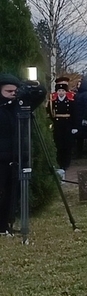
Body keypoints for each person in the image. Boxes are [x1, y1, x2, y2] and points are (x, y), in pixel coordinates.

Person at [0, 74, 23, 235]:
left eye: (15, 91)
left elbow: (39, 95)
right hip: (1, 157)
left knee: (11, 193)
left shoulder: (17, 107)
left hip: (14, 156)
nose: (12, 94)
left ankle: (5, 225)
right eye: (8, 91)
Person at [48, 78, 75, 173]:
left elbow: (74, 113)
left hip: (67, 124)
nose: (61, 92)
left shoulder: (70, 101)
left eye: (63, 90)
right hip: (58, 123)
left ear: (66, 91)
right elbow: (50, 113)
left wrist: (74, 126)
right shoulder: (53, 101)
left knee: (67, 144)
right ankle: (59, 162)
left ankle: (66, 162)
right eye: (59, 91)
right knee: (58, 143)